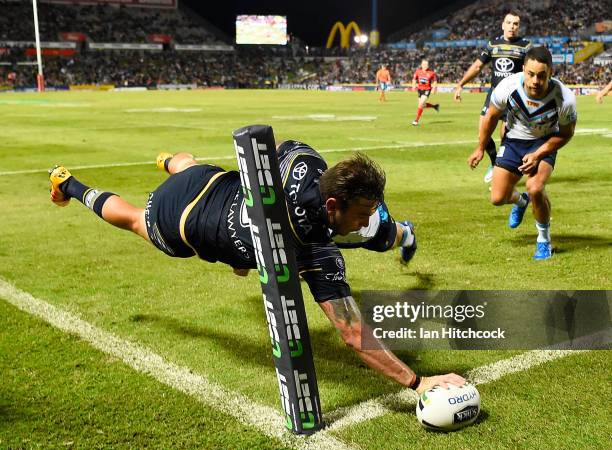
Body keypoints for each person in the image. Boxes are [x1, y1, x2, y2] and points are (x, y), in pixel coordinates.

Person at [48, 140, 465, 394]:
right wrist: (418, 382)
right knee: (133, 218)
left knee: (187, 166)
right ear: (333, 205)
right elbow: (354, 334)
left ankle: (167, 162)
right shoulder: (314, 249)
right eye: (361, 213)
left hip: (209, 183)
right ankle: (70, 185)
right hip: (180, 223)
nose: (362, 220)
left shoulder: (308, 167)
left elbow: (278, 148)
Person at [467, 46, 577, 260]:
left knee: (535, 187)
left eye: (542, 76)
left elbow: (566, 134)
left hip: (544, 142)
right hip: (514, 141)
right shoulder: (507, 87)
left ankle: (543, 241)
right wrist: (481, 147)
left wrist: (538, 154)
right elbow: (490, 118)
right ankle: (521, 202)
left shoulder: (564, 98)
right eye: (531, 74)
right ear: (524, 69)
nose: (535, 80)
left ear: (551, 73)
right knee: (497, 198)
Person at [454, 12, 531, 183]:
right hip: (495, 94)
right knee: (483, 131)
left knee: (506, 137)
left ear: (519, 26)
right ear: (502, 25)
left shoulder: (526, 46)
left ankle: (503, 172)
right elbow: (477, 66)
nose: (512, 26)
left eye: (516, 23)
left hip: (515, 96)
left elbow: (531, 71)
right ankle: (494, 162)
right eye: (509, 23)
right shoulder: (492, 44)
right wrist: (460, 84)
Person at [411, 59, 439, 126]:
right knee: (422, 105)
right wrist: (413, 86)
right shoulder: (418, 72)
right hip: (420, 90)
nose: (425, 66)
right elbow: (414, 79)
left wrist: (434, 88)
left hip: (427, 90)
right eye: (424, 64)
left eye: (426, 64)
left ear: (428, 65)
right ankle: (434, 106)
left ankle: (416, 120)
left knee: (420, 104)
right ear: (421, 65)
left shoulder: (431, 73)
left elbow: (435, 81)